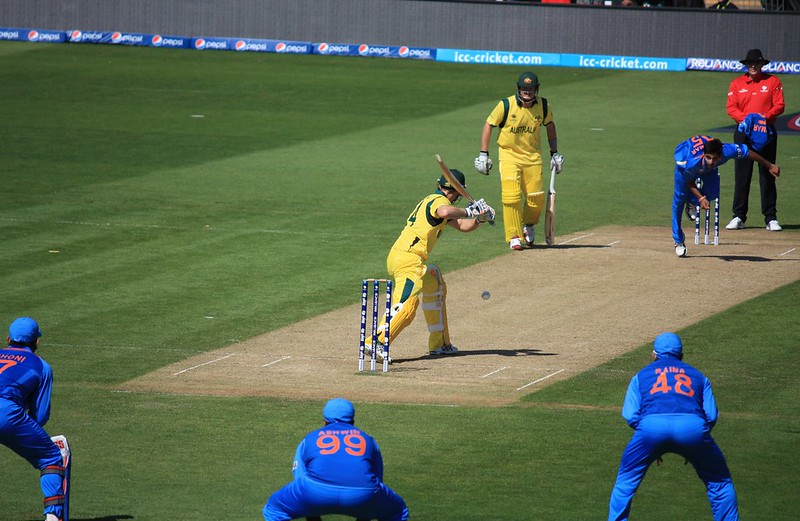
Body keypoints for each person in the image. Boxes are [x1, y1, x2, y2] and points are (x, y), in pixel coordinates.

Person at [608, 332, 740, 521]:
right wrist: (695, 443)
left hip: (651, 429)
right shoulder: (699, 376)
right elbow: (711, 415)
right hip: (692, 429)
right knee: (720, 484)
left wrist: (651, 440)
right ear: (682, 356)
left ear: (654, 355)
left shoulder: (640, 376)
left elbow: (630, 414)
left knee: (624, 484)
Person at [370, 168, 494, 358]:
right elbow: (444, 211)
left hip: (408, 258)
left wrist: (479, 219)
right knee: (407, 306)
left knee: (434, 281)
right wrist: (470, 210)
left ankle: (440, 344)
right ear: (454, 192)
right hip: (408, 259)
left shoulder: (435, 200)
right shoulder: (439, 201)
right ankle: (376, 342)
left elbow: (462, 225)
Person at [262, 398, 409, 521]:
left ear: (325, 421)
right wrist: (366, 511)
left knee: (273, 510)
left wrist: (311, 510)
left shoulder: (309, 438)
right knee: (399, 511)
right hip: (363, 493)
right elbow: (377, 478)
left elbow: (299, 475)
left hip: (315, 492)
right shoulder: (368, 440)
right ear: (353, 421)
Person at [474, 71, 564, 250]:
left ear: (536, 89)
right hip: (509, 155)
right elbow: (489, 124)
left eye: (530, 89)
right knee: (511, 195)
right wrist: (483, 154)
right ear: (518, 88)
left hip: (533, 157)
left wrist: (554, 153)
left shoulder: (544, 106)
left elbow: (550, 126)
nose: (527, 92)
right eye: (524, 88)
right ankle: (513, 235)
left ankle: (528, 225)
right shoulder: (505, 105)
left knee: (535, 198)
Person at [0, 317, 67, 521]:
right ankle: (52, 517)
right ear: (36, 342)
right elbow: (40, 415)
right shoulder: (41, 366)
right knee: (51, 457)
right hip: (7, 414)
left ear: (8, 338)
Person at [671, 135, 779, 257]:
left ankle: (691, 201)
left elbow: (748, 153)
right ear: (704, 154)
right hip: (685, 166)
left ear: (720, 155)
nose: (711, 161)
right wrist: (700, 198)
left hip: (708, 170)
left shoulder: (727, 150)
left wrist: (769, 165)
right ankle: (678, 240)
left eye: (715, 158)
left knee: (712, 194)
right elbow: (689, 181)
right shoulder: (691, 162)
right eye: (708, 158)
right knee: (679, 200)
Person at [725, 49, 785, 232]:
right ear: (745, 65)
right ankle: (738, 216)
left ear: (762, 65)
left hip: (765, 131)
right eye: (750, 63)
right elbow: (731, 107)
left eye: (756, 63)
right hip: (744, 132)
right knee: (742, 174)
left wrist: (761, 119)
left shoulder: (772, 81)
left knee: (767, 173)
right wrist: (746, 120)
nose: (753, 66)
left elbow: (780, 105)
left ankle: (770, 218)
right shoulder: (737, 83)